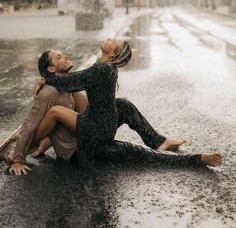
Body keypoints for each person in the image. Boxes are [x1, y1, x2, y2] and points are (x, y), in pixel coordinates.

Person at [33, 38, 223, 169]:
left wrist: (46, 78)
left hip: (94, 136)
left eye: (113, 41)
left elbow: (70, 82)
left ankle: (195, 159)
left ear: (113, 53)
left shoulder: (102, 69)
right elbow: (76, 80)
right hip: (101, 128)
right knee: (123, 105)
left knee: (139, 154)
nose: (109, 38)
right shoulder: (107, 68)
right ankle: (160, 142)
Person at [8, 45, 186, 175]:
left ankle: (159, 142)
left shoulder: (72, 91)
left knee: (123, 105)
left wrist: (46, 143)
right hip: (79, 152)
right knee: (132, 153)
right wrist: (18, 159)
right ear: (51, 68)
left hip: (89, 139)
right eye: (60, 57)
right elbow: (30, 124)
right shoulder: (48, 93)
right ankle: (190, 160)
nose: (66, 57)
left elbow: (88, 114)